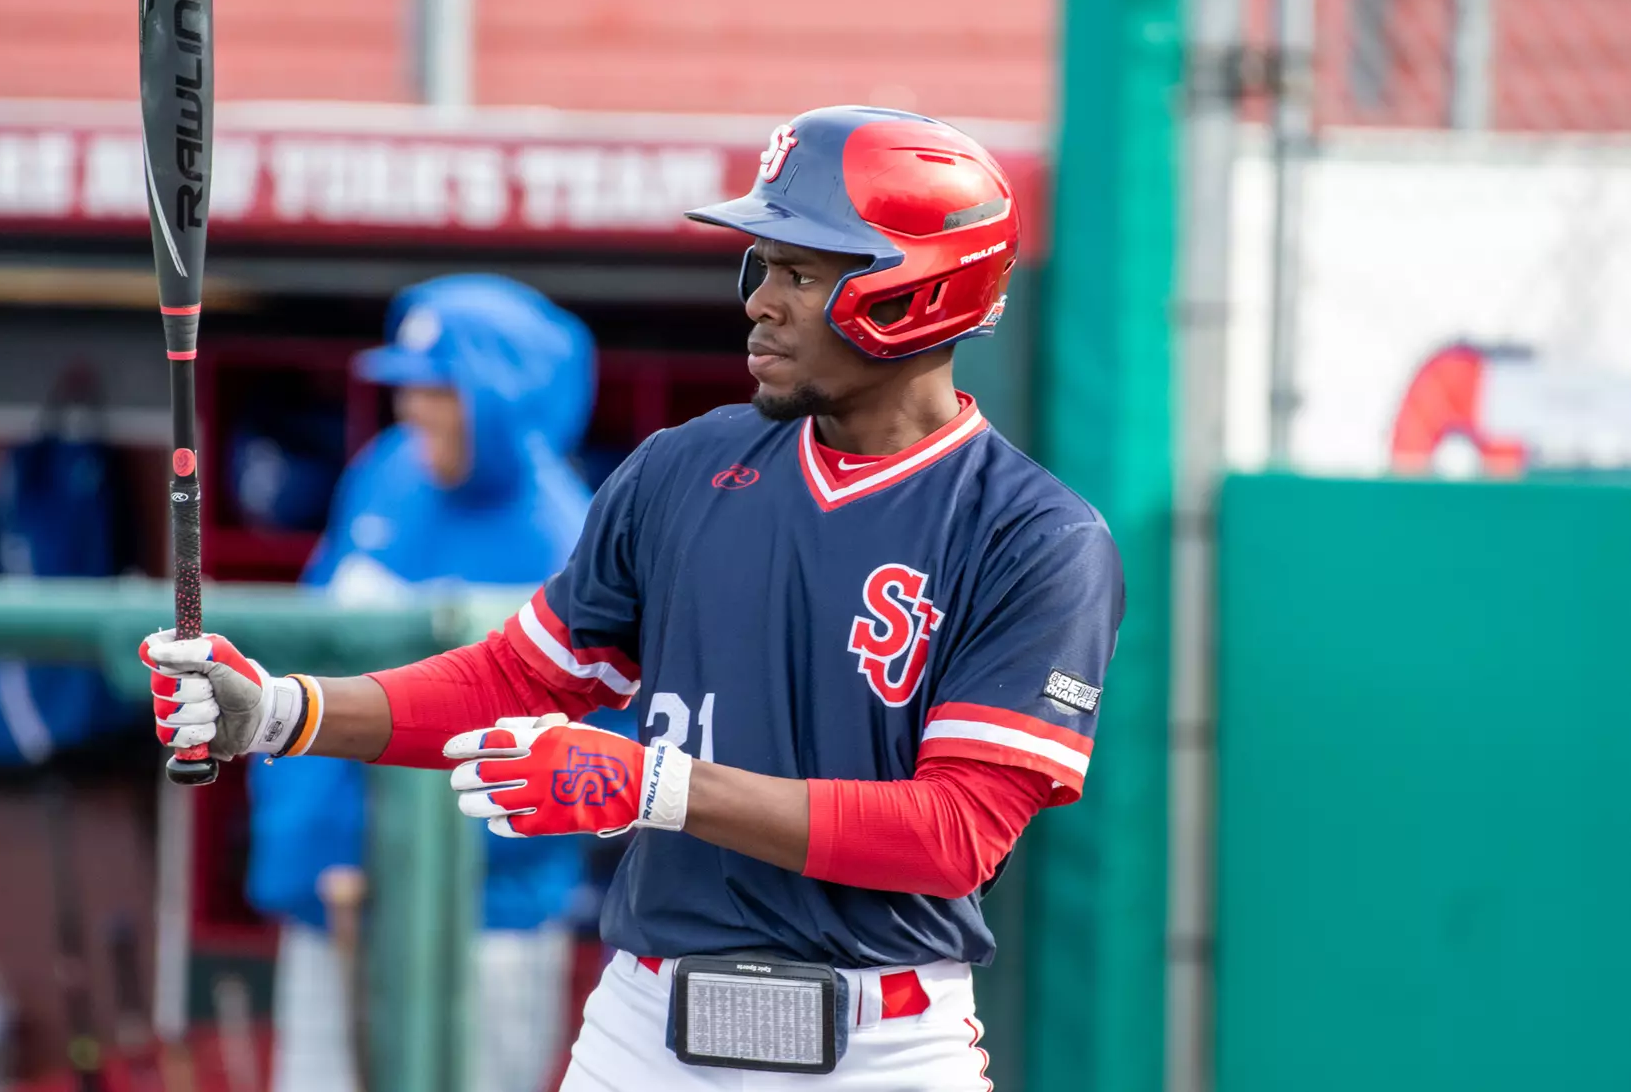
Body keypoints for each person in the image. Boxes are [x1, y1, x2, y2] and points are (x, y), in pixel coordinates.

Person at [143, 106, 1125, 1091]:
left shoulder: (1036, 536)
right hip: (647, 1028)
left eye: (801, 270)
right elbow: (520, 677)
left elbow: (955, 833)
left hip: (880, 1043)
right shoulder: (684, 465)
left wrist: (659, 784)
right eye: (762, 265)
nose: (759, 301)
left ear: (914, 293)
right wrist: (281, 709)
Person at [241, 274, 599, 1092]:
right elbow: (317, 660)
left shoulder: (565, 533)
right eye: (408, 389)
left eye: (439, 389)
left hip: (481, 923)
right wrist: (324, 854)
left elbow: (583, 758)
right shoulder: (388, 473)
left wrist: (400, 860)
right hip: (335, 901)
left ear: (501, 398)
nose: (415, 411)